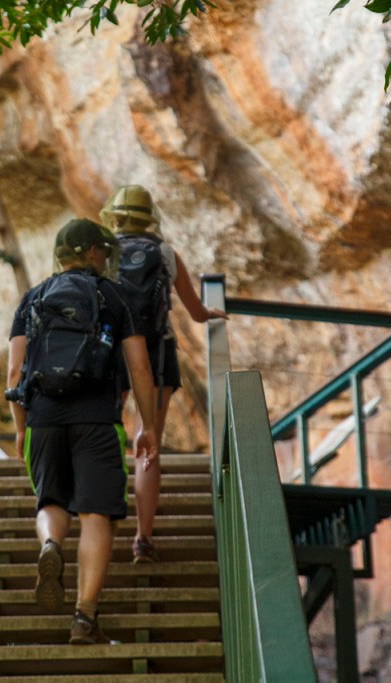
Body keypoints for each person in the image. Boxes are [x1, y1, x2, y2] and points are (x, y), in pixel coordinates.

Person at [5, 218, 159, 645]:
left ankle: (51, 545)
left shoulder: (32, 299)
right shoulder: (112, 296)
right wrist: (147, 426)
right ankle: (84, 618)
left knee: (52, 500)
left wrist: (21, 429)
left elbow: (15, 371)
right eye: (104, 252)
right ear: (92, 252)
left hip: (42, 416)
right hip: (97, 417)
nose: (107, 259)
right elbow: (140, 366)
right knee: (96, 514)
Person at [100, 184, 228, 563]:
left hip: (109, 353)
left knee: (105, 438)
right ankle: (142, 538)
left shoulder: (102, 254)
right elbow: (195, 310)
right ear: (149, 219)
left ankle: (98, 525)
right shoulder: (166, 254)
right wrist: (211, 314)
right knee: (147, 446)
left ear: (116, 217)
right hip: (155, 354)